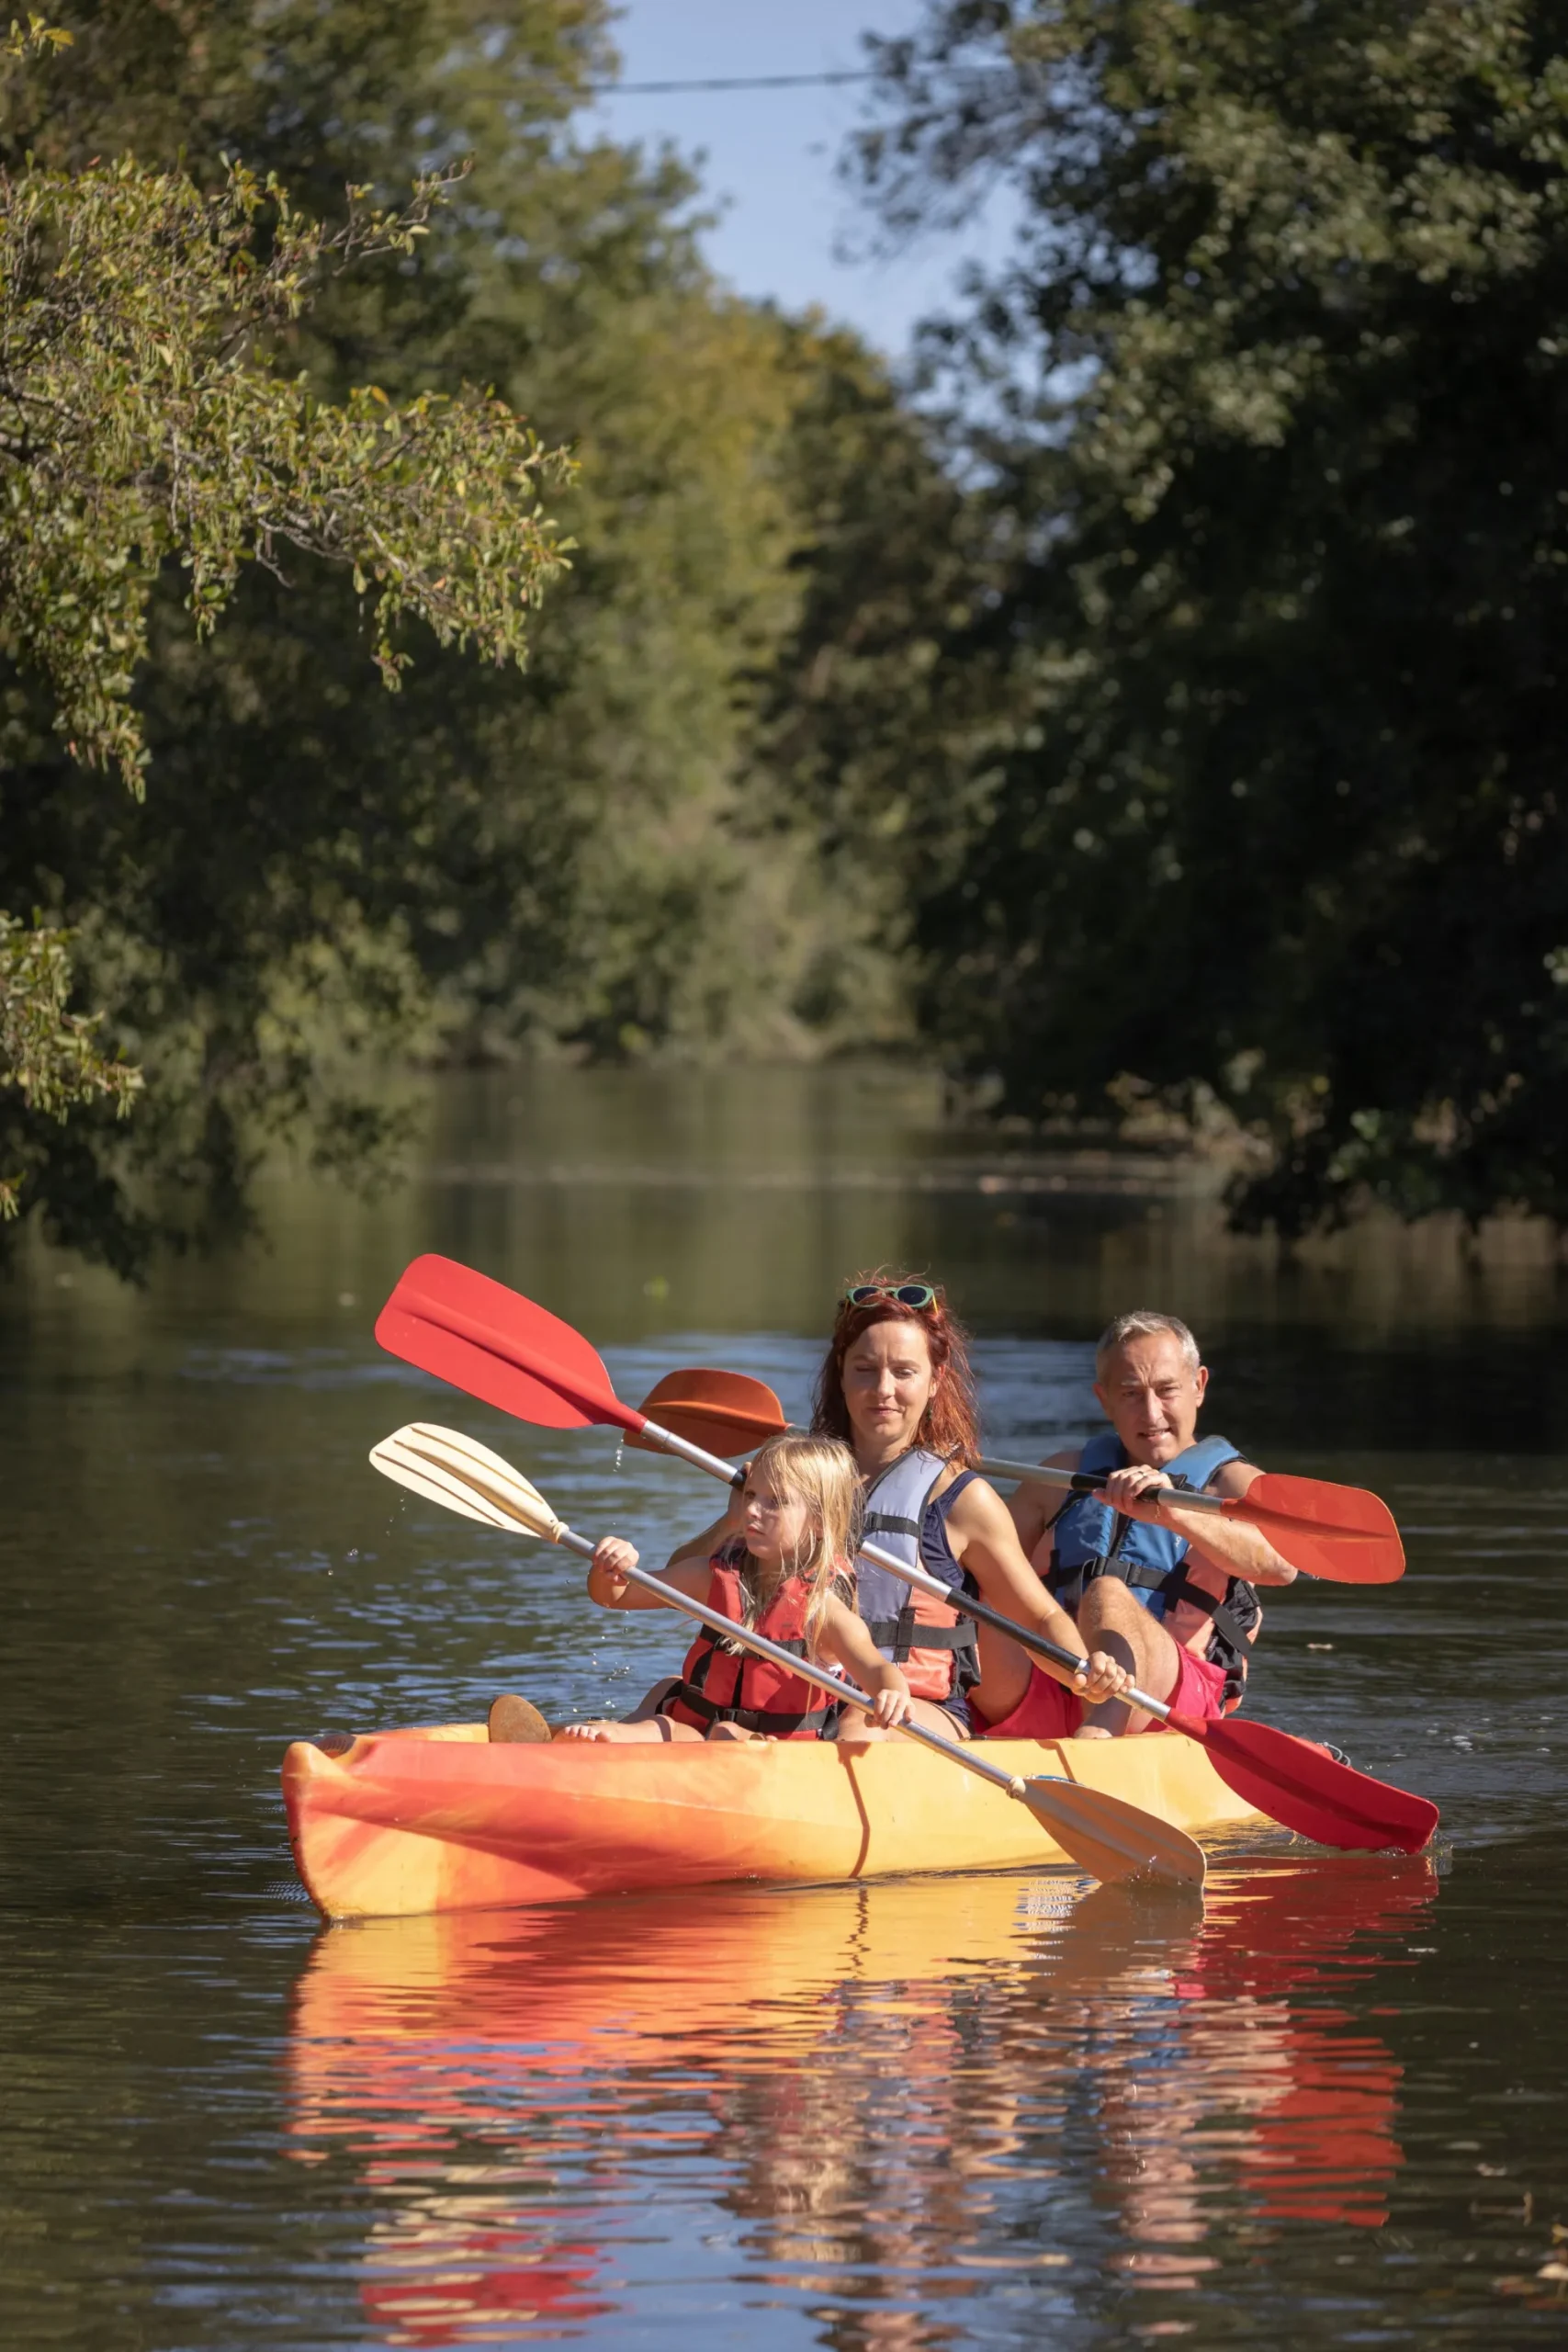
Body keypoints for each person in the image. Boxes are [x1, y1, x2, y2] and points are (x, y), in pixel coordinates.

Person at [669, 1274, 1129, 1742]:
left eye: (904, 1372)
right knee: (678, 1701)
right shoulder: (791, 1480)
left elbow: (1038, 1616)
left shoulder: (963, 1500)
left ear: (935, 1381)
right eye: (865, 1369)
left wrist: (1083, 1669)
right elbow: (679, 1585)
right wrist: (734, 1519)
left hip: (910, 1709)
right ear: (841, 1374)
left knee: (858, 1727)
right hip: (792, 1704)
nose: (882, 1389)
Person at [1007, 1309, 1297, 1737]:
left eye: (1166, 1390)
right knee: (985, 1604)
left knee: (1106, 1587)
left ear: (1198, 1386)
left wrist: (1174, 1512)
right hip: (1063, 1674)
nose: (1150, 1412)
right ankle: (932, 1718)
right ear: (1104, 1399)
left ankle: (1099, 1736)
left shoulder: (1233, 1484)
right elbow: (983, 1566)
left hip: (1172, 1699)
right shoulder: (1060, 1476)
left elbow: (1281, 1566)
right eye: (1130, 1394)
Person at [549, 1432, 912, 1744]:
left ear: (818, 1522)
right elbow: (614, 1597)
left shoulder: (824, 1611)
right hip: (699, 1730)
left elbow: (875, 1668)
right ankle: (602, 1738)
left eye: (777, 1501)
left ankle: (605, 1739)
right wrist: (611, 1567)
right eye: (751, 1494)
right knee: (667, 1708)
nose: (753, 1510)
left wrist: (893, 1693)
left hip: (773, 1749)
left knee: (708, 1732)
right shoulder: (714, 1575)